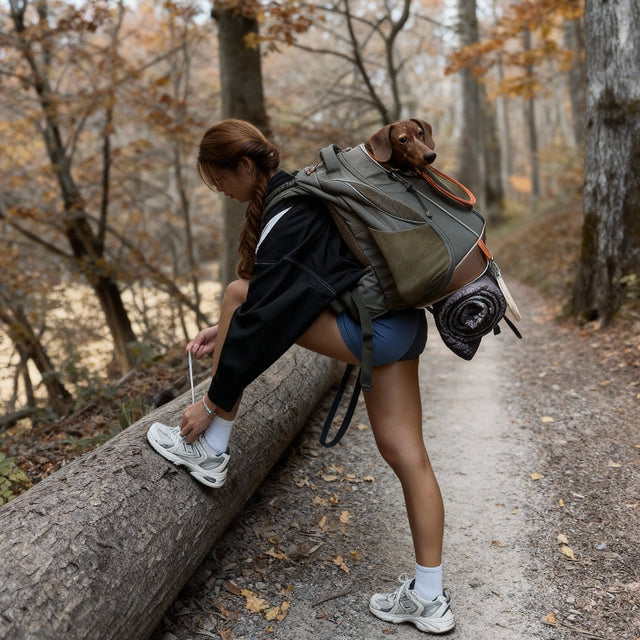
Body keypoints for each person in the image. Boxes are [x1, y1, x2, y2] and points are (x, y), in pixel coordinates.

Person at [147, 119, 455, 634]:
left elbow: (267, 316)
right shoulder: (304, 194)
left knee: (236, 294)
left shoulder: (290, 211)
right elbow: (287, 292)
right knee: (410, 457)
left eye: (219, 178)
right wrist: (223, 330)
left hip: (371, 330)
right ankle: (430, 597)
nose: (220, 189)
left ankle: (212, 445)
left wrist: (210, 403)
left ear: (244, 166)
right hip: (401, 327)